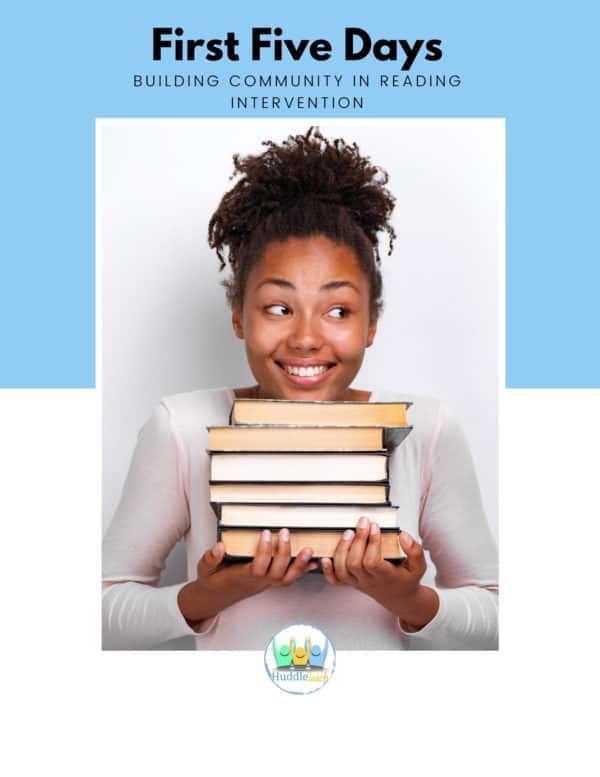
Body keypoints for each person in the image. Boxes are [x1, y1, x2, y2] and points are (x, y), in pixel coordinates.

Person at [102, 127, 498, 650]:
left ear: (371, 322)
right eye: (278, 308)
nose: (307, 338)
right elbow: (104, 607)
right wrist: (212, 594)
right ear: (239, 316)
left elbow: (497, 612)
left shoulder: (426, 429)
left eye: (338, 310)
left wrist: (410, 599)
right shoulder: (183, 428)